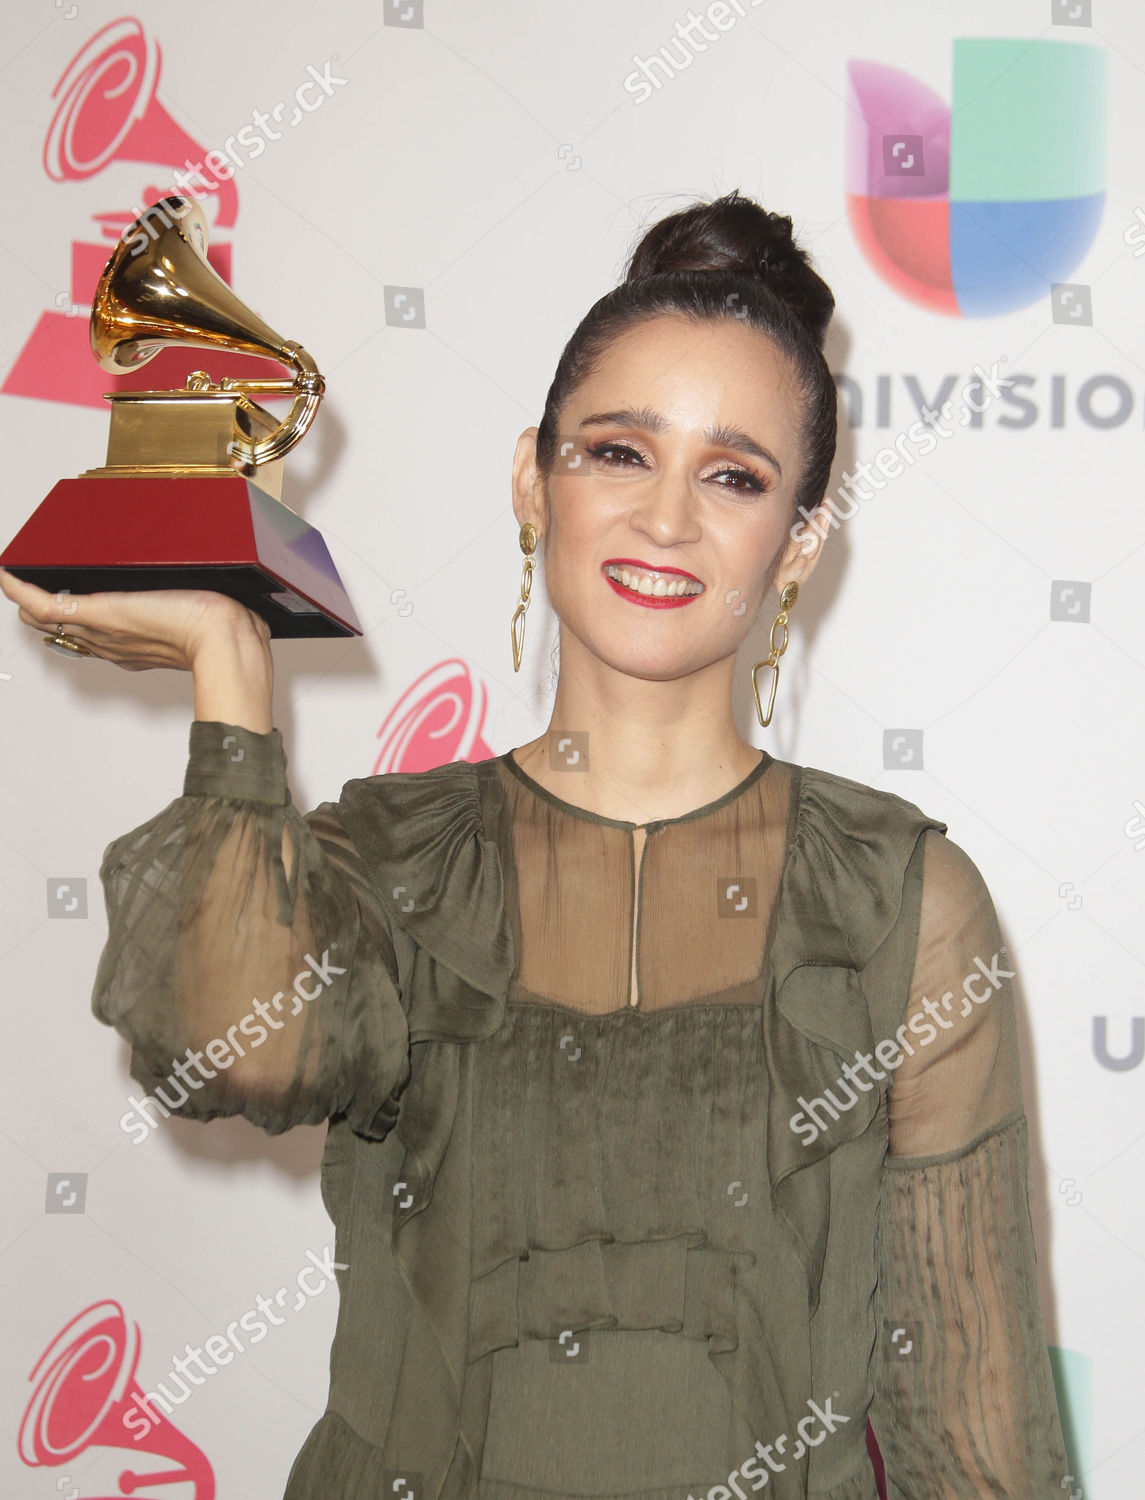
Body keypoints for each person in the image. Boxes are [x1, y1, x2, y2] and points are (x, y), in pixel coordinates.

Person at [1, 189, 1073, 1499]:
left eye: (731, 476)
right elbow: (234, 1049)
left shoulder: (899, 898)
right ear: (531, 476)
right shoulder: (392, 857)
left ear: (797, 546)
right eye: (617, 452)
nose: (666, 518)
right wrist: (232, 669)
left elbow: (971, 1400)